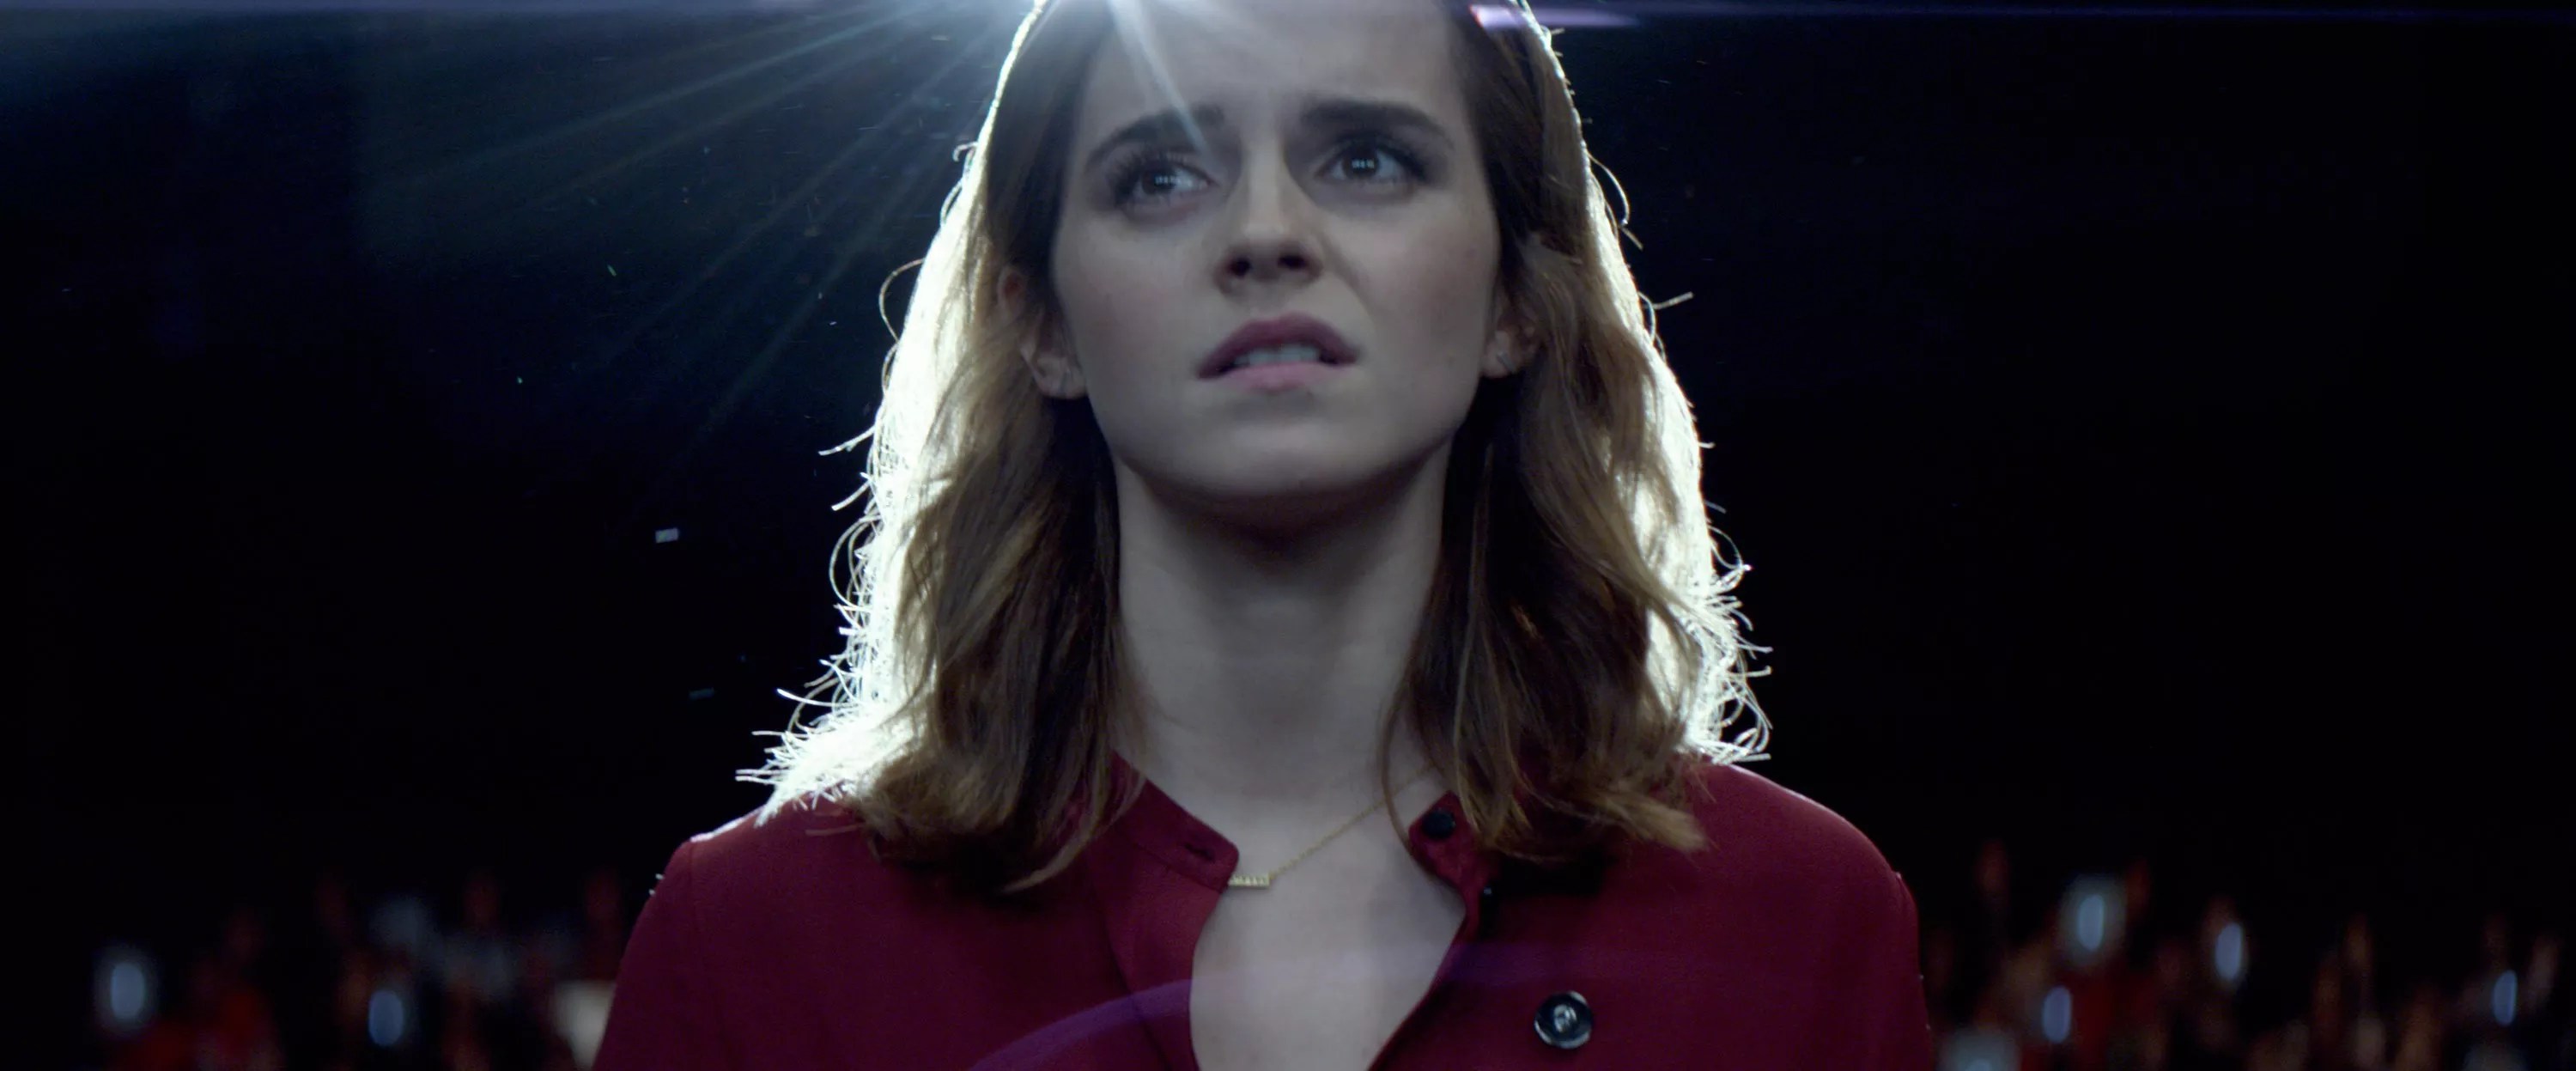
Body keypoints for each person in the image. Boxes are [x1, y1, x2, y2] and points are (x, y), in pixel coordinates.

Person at [594, 0, 1932, 1067]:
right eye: (1161, 174)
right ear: (1039, 321)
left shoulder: (1801, 923)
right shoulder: (754, 943)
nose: (1266, 233)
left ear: (1520, 299)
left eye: (1367, 158)